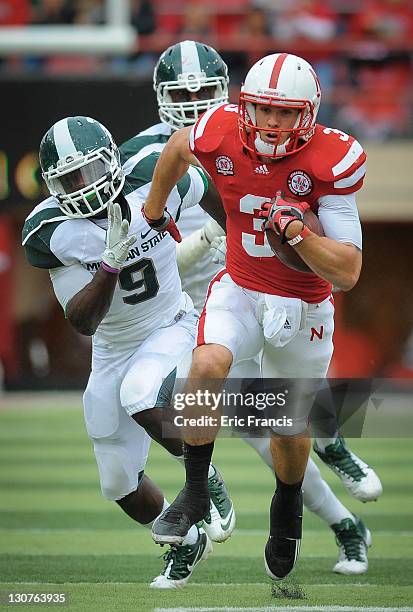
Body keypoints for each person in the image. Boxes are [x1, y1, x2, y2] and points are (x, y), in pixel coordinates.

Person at [122, 40, 380, 575]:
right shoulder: (217, 129)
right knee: (207, 367)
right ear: (245, 104)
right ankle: (196, 491)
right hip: (236, 284)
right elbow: (177, 147)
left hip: (303, 305)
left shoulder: (331, 160)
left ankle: (289, 501)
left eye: (283, 111)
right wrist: (151, 213)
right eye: (261, 108)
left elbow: (348, 272)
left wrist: (297, 234)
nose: (268, 121)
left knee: (286, 428)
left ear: (307, 114)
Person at [21, 115, 236, 589]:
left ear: (112, 160)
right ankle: (187, 540)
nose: (82, 186)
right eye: (68, 179)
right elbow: (83, 320)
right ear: (52, 187)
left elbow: (214, 187)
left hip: (171, 323)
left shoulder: (149, 177)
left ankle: (204, 481)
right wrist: (110, 263)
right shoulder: (54, 230)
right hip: (112, 346)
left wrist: (240, 245)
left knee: (141, 392)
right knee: (117, 483)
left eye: (88, 171)